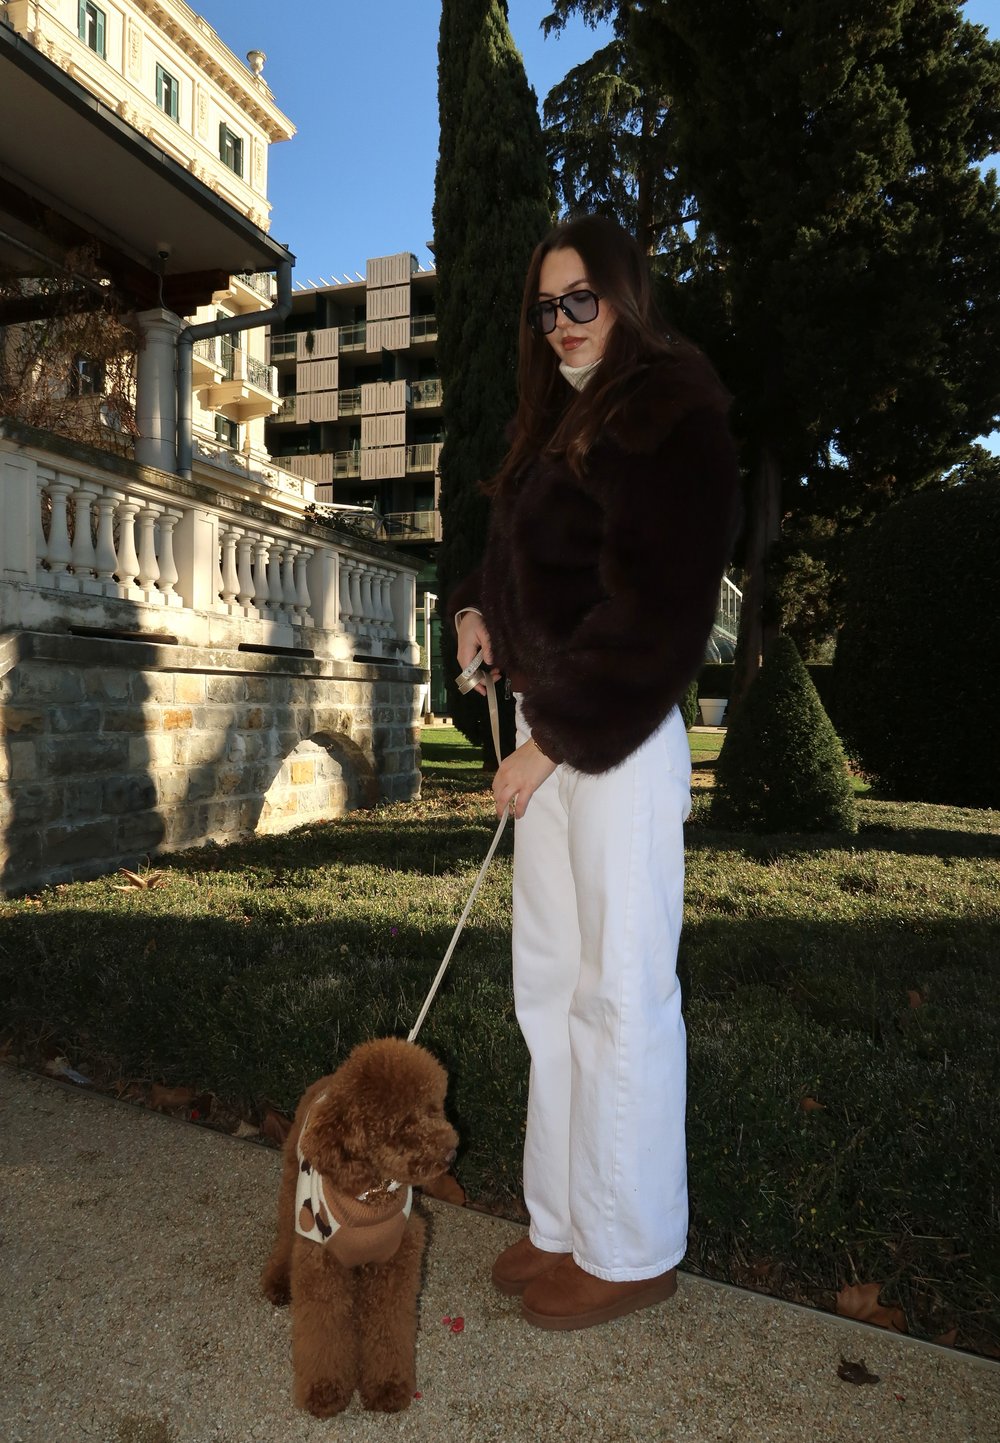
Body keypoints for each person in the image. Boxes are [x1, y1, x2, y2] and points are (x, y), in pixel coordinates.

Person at [447, 214, 741, 1331]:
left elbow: (657, 617)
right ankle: (564, 1221)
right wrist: (477, 612)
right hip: (552, 730)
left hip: (609, 740)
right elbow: (517, 567)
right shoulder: (556, 420)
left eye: (582, 299)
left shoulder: (673, 408)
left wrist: (546, 742)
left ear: (625, 294)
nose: (561, 322)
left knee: (621, 994)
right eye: (546, 306)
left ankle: (631, 1248)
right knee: (549, 992)